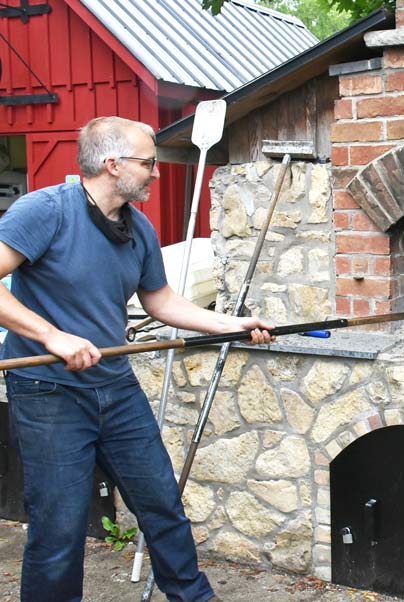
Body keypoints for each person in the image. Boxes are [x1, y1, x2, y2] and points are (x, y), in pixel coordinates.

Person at [0, 116, 275, 602]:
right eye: (148, 162)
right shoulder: (44, 212)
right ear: (112, 165)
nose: (156, 173)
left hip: (115, 388)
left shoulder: (138, 227)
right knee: (59, 528)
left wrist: (229, 324)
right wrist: (53, 337)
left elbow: (162, 301)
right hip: (49, 390)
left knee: (161, 506)